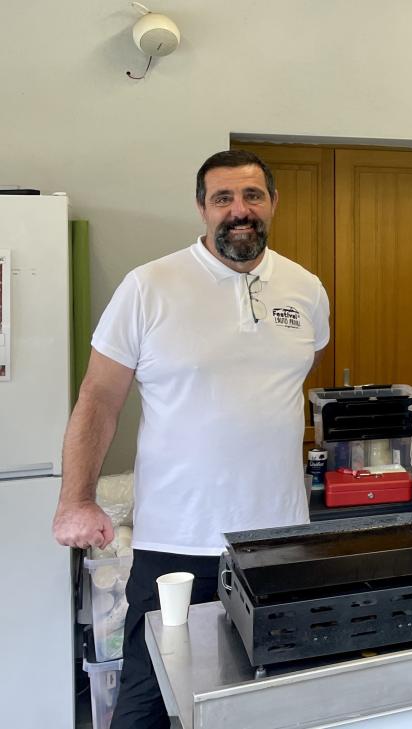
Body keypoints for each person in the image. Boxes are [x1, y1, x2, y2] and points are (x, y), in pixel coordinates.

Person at [51, 149, 330, 729]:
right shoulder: (149, 286)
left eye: (252, 196)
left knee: (269, 698)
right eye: (223, 198)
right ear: (202, 209)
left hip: (276, 540)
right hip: (176, 541)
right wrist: (75, 499)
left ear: (273, 203)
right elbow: (99, 397)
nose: (239, 210)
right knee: (146, 704)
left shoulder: (306, 289)